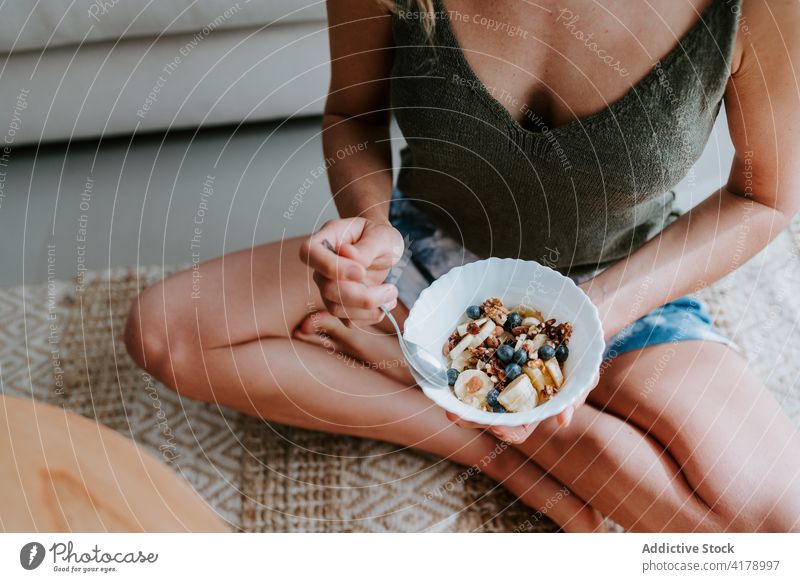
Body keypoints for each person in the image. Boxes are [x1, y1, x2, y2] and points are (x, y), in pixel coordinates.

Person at [125, 0, 800, 532]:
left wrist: (591, 316)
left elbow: (764, 198)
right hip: (427, 255)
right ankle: (498, 450)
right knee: (165, 331)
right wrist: (372, 226)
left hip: (621, 281)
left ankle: (420, 373)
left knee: (778, 527)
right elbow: (351, 114)